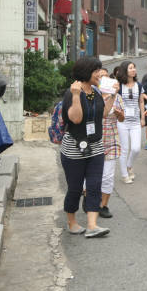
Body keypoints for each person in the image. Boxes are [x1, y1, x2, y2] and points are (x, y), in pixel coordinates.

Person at [59, 56, 115, 238]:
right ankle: (72, 222)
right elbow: (75, 119)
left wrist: (112, 96)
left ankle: (92, 225)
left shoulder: (96, 92)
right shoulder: (72, 92)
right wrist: (76, 96)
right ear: (86, 72)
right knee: (75, 188)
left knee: (94, 185)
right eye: (96, 70)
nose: (100, 74)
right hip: (75, 147)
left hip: (96, 146)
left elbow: (104, 114)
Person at [97, 67, 125, 218]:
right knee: (92, 177)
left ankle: (103, 205)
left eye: (106, 76)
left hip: (111, 140)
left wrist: (120, 114)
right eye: (100, 76)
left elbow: (122, 119)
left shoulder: (117, 97)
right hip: (93, 142)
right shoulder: (92, 96)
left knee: (107, 176)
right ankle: (88, 197)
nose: (103, 78)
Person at [116, 61, 144, 184]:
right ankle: (124, 174)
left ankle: (129, 165)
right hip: (122, 121)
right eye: (130, 68)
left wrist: (143, 117)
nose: (134, 70)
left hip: (135, 121)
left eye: (134, 67)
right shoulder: (119, 86)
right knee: (125, 149)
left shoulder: (139, 84)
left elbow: (141, 102)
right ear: (124, 71)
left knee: (136, 148)